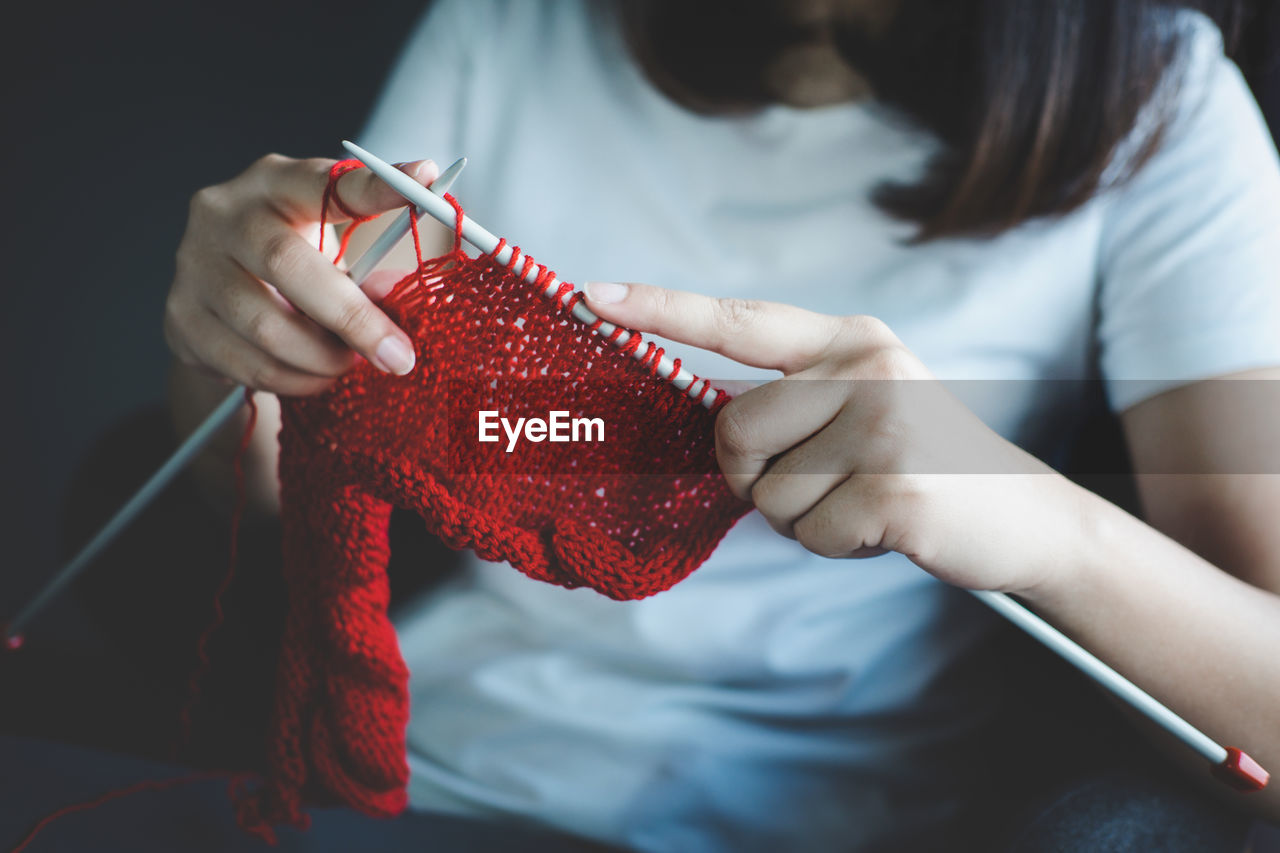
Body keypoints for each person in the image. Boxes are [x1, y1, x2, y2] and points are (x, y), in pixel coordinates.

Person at [159, 0, 1280, 849]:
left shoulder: (1167, 105)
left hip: (849, 823)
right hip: (434, 783)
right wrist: (235, 335)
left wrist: (1020, 511)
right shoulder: (512, 27)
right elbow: (264, 468)